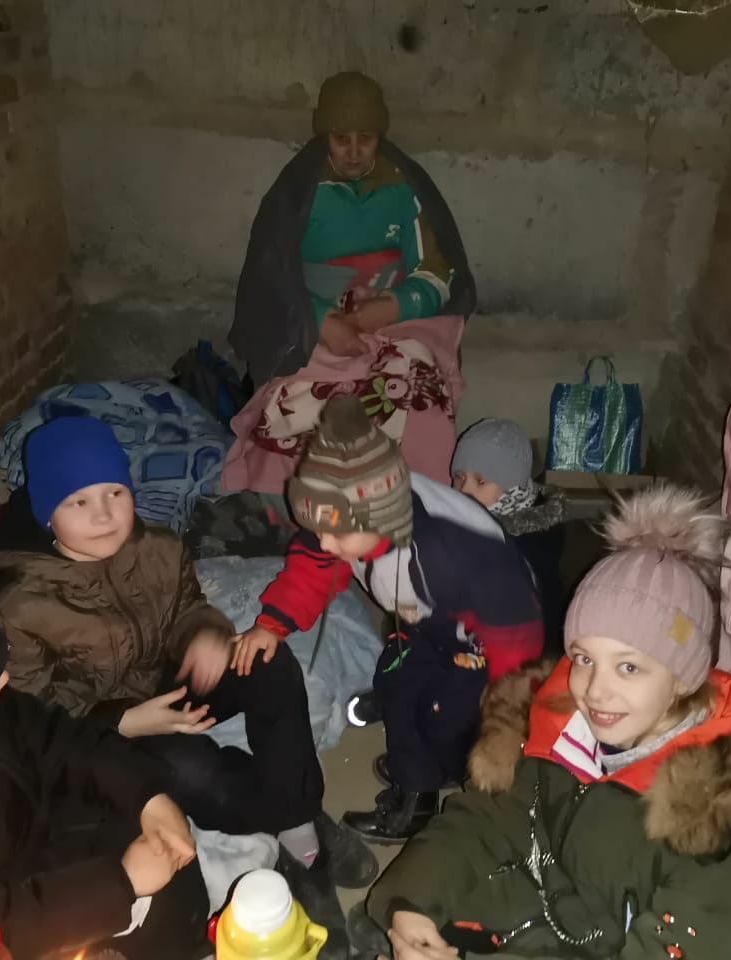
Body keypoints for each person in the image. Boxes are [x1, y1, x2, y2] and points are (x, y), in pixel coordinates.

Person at [354, 486, 731, 960]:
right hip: (547, 904)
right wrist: (412, 906)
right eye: (584, 658)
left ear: (684, 677)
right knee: (397, 914)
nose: (594, 690)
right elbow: (489, 818)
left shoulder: (719, 807)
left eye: (629, 667)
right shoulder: (562, 726)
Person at [0, 416, 375, 931]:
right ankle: (301, 843)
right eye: (79, 502)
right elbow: (34, 718)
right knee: (194, 772)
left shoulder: (159, 548)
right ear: (47, 514)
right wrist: (124, 721)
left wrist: (204, 636)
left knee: (268, 662)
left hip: (170, 685)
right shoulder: (18, 607)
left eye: (115, 493)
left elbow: (187, 607)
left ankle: (296, 821)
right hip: (108, 733)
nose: (104, 516)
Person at [234, 397, 544, 843]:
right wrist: (272, 624)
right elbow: (311, 568)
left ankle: (435, 781)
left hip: (486, 641)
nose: (325, 541)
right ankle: (414, 777)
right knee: (400, 683)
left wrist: (505, 704)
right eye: (318, 528)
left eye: (336, 534)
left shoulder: (453, 553)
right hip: (428, 623)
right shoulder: (341, 515)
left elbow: (516, 632)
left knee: (445, 717)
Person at [0, 590, 210, 960]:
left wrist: (148, 797)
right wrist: (122, 883)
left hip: (59, 835)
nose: (5, 678)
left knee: (168, 867)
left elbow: (68, 742)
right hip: (34, 916)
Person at [230, 70, 476, 386]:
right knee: (300, 394)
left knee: (414, 384)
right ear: (323, 136)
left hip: (393, 323)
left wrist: (393, 306)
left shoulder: (402, 187)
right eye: (341, 139)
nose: (355, 153)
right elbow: (270, 279)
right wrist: (321, 321)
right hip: (313, 332)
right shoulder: (300, 193)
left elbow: (438, 272)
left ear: (381, 136)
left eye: (367, 138)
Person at [452, 418, 572, 654]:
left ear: (512, 486)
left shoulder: (530, 550)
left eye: (481, 481)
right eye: (459, 477)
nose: (465, 490)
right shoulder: (467, 531)